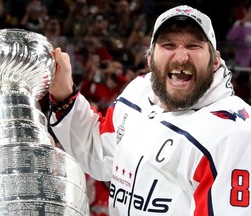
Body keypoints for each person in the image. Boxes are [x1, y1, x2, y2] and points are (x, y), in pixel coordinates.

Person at [48, 5, 251, 215]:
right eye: (168, 45)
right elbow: (100, 152)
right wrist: (64, 94)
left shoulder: (233, 135)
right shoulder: (140, 89)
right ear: (149, 58)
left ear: (215, 60)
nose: (181, 57)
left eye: (193, 45)